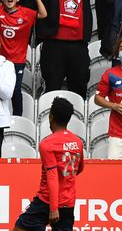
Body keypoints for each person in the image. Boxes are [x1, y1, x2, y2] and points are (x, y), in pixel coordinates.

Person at [13, 97, 84, 231]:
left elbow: (52, 176)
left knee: (20, 228)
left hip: (46, 201)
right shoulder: (78, 142)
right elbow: (79, 169)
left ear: (51, 117)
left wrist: (53, 208)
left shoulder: (47, 144)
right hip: (68, 202)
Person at [37, 0, 93, 99]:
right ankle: (50, 115)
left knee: (79, 86)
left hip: (78, 44)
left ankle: (78, 115)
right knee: (52, 87)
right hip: (54, 42)